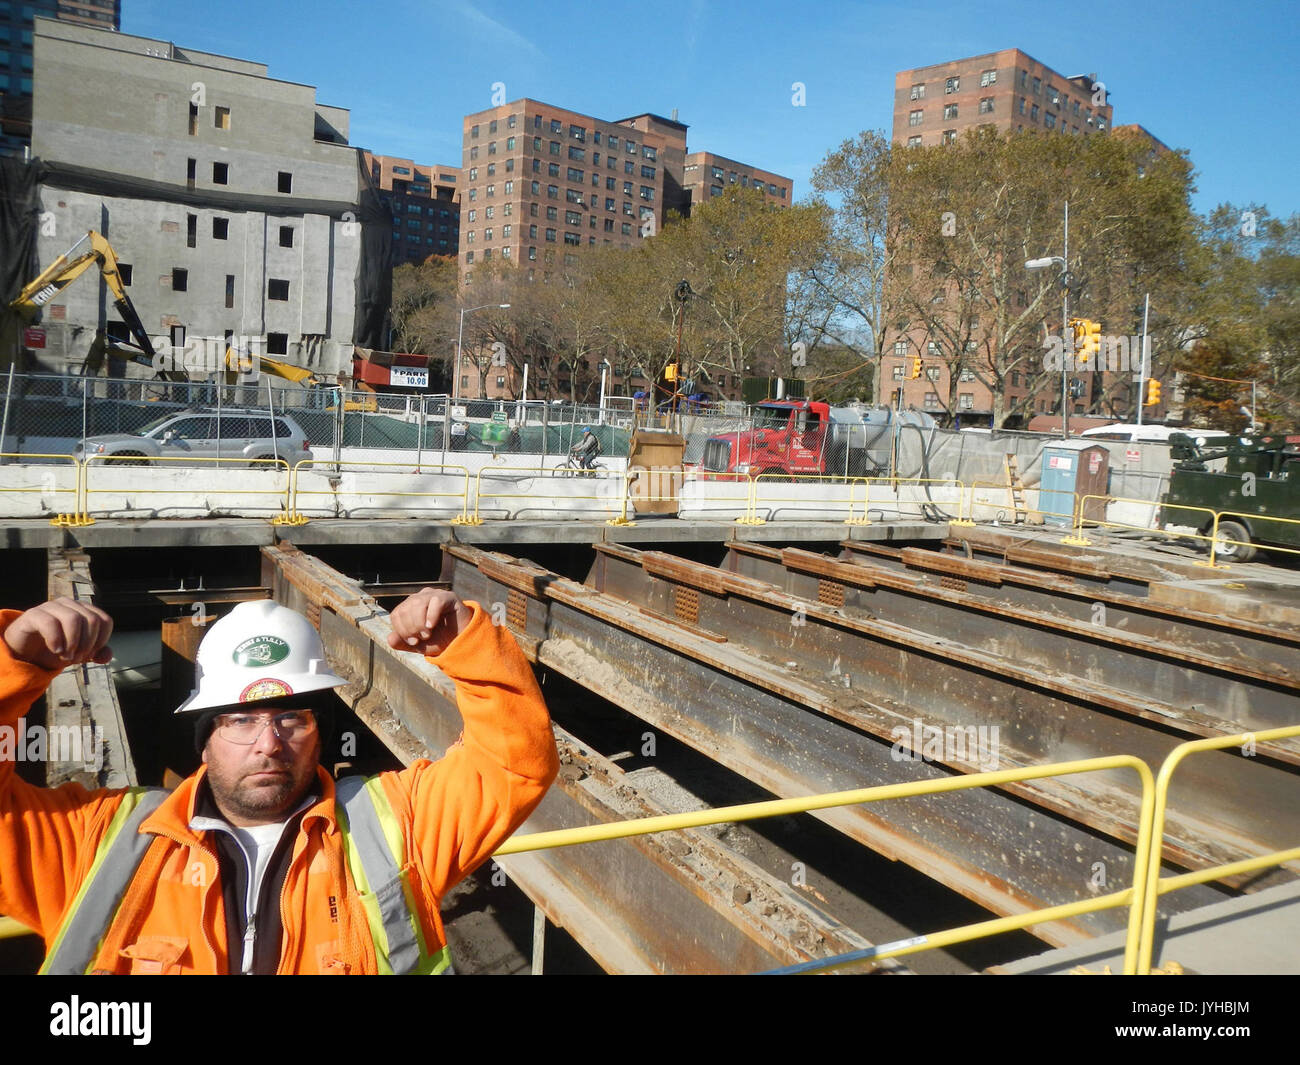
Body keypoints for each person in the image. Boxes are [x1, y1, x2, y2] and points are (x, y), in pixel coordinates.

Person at [0, 589, 558, 974]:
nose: (268, 744)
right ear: (205, 737)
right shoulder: (95, 842)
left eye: (292, 717)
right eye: (240, 721)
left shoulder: (394, 825)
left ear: (319, 732)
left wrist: (467, 642)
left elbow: (511, 764)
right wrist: (14, 665)